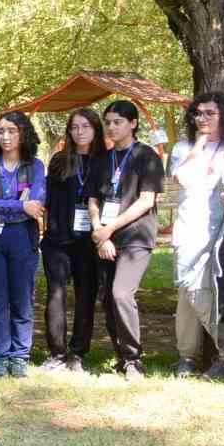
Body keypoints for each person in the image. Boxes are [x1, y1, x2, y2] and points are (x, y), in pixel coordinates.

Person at [89, 99, 164, 379]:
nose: (111, 127)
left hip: (135, 237)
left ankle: (134, 359)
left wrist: (110, 229)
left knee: (122, 293)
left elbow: (146, 201)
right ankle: (120, 356)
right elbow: (94, 199)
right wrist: (99, 231)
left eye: (117, 121)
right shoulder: (102, 159)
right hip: (105, 238)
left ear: (132, 124)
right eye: (107, 122)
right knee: (108, 297)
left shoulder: (147, 156)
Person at [169, 93, 224, 378]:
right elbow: (183, 178)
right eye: (198, 113)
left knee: (217, 292)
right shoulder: (183, 147)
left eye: (210, 113)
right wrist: (198, 144)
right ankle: (187, 356)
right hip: (189, 228)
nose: (202, 118)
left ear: (223, 115)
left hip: (223, 228)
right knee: (189, 289)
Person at [0, 111, 46, 378]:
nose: (5, 136)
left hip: (23, 238)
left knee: (22, 300)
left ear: (23, 133)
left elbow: (37, 205)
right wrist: (20, 205)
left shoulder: (35, 166)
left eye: (11, 131)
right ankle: (0, 356)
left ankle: (20, 356)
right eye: (1, 131)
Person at [34, 109, 102, 375]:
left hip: (90, 240)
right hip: (58, 239)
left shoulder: (105, 161)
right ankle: (57, 353)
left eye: (85, 126)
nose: (79, 132)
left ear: (96, 129)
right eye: (74, 127)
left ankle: (78, 353)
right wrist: (47, 231)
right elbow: (49, 198)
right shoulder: (60, 161)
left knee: (86, 296)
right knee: (56, 293)